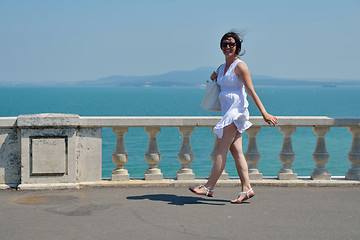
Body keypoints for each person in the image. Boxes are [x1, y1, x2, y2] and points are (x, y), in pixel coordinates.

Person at [189, 32, 277, 204]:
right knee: (237, 153)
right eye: (224, 44)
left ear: (237, 47)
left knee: (221, 150)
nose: (227, 47)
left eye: (231, 44)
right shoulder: (221, 68)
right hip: (227, 112)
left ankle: (209, 187)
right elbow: (222, 88)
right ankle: (247, 189)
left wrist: (264, 113)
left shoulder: (240, 67)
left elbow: (251, 91)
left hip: (235, 113)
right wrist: (214, 79)